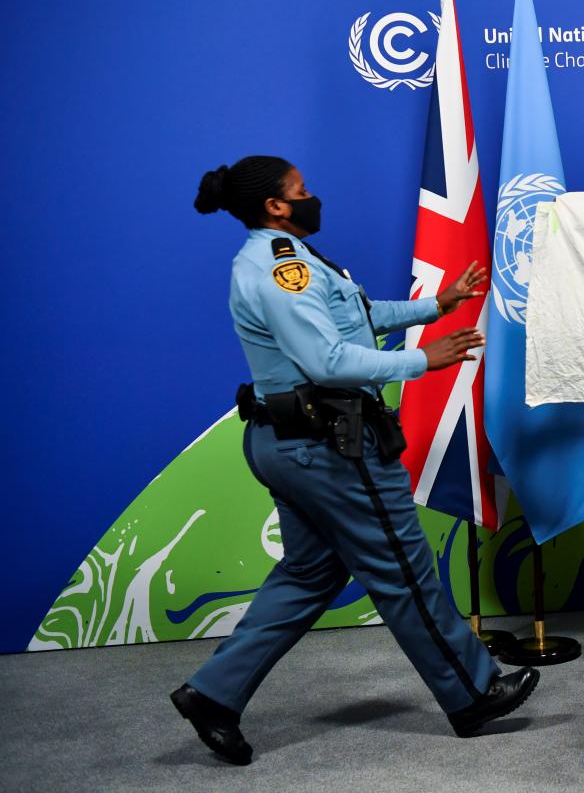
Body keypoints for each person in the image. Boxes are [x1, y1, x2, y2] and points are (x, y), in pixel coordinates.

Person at [174, 155, 538, 765]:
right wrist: (426, 359)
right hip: (329, 446)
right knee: (403, 568)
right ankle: (473, 693)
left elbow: (359, 318)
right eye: (302, 190)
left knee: (309, 574)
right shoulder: (278, 271)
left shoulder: (285, 257)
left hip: (289, 444)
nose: (312, 196)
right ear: (276, 206)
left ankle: (213, 695)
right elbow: (330, 362)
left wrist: (435, 306)